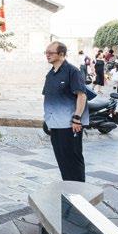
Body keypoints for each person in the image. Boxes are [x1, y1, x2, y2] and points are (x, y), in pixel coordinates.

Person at [43, 42, 89, 182]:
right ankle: (68, 187)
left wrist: (77, 118)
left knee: (73, 158)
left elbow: (81, 95)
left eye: (51, 52)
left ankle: (78, 189)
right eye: (46, 52)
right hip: (55, 123)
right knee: (62, 159)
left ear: (61, 54)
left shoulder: (72, 71)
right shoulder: (50, 74)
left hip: (70, 124)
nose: (47, 55)